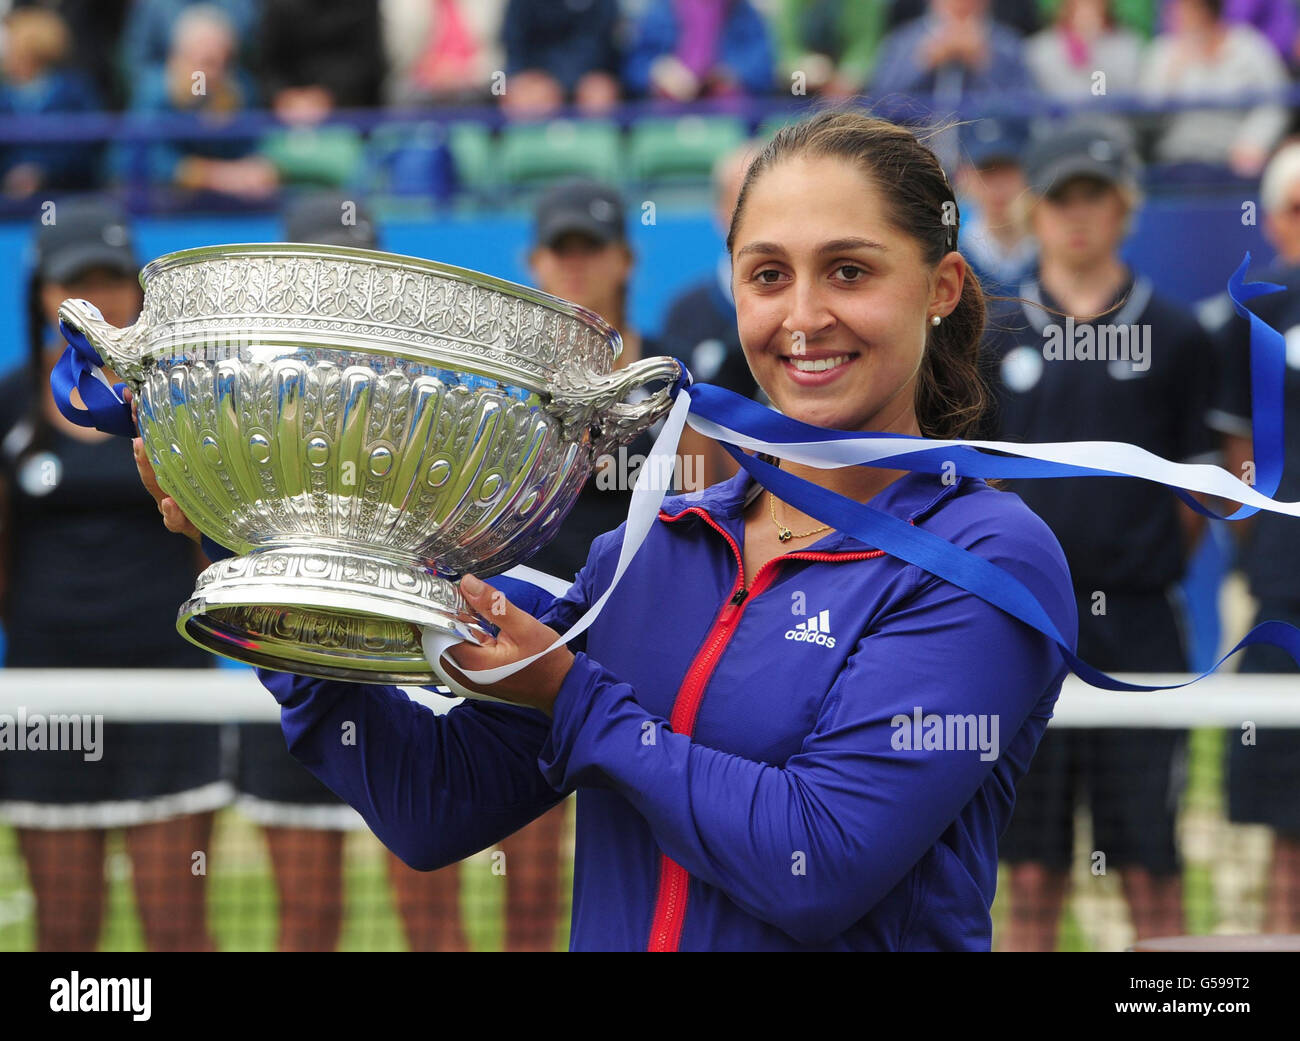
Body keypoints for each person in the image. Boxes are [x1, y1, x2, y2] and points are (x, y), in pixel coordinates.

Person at [134, 110, 1079, 951]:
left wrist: (572, 696)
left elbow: (817, 858)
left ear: (943, 285)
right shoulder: (651, 550)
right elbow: (430, 808)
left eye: (849, 270)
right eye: (767, 275)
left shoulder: (986, 556)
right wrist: (281, 574)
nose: (803, 316)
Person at [980, 124, 1218, 951]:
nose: (1078, 216)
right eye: (1062, 198)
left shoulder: (1180, 334)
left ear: (1126, 209)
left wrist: (1134, 565)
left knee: (1152, 861)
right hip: (1025, 630)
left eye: (1097, 197)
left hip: (1141, 631)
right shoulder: (992, 332)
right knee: (1032, 869)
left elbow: (1196, 490)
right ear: (1035, 210)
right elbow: (980, 481)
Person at [0, 198, 227, 952]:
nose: (98, 298)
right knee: (64, 935)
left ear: (138, 289)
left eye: (110, 278)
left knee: (176, 931)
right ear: (42, 293)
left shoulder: (184, 407)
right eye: (76, 281)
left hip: (168, 689)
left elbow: (210, 547)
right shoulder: (8, 407)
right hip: (47, 695)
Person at [1198, 140, 1300, 933]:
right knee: (1286, 817)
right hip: (1283, 589)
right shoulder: (1254, 312)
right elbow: (1239, 459)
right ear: (1273, 219)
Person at [657, 145, 760, 488]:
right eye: (740, 200)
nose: (754, 212)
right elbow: (682, 426)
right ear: (719, 210)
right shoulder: (685, 311)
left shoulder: (810, 306)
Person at [1140, 0, 1290, 179]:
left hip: (1234, 162)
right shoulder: (1164, 51)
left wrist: (1254, 141)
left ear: (1207, 10)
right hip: (1175, 161)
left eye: (1184, 9)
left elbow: (1275, 101)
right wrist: (1169, 77)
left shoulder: (1248, 46)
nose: (1173, 17)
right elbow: (1145, 114)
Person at [623, 0, 775, 101]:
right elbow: (634, 67)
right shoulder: (658, 11)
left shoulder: (743, 12)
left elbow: (764, 67)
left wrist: (733, 74)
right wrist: (658, 72)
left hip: (728, 112)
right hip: (667, 110)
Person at [953, 117, 1037, 300]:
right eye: (986, 171)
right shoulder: (951, 250)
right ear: (964, 176)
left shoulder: (1052, 251)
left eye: (1008, 170)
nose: (998, 186)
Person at [500, 0, 621, 117]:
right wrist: (527, 80)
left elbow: (602, 44)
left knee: (599, 97)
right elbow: (514, 45)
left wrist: (561, 81)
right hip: (535, 74)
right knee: (523, 99)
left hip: (590, 73)